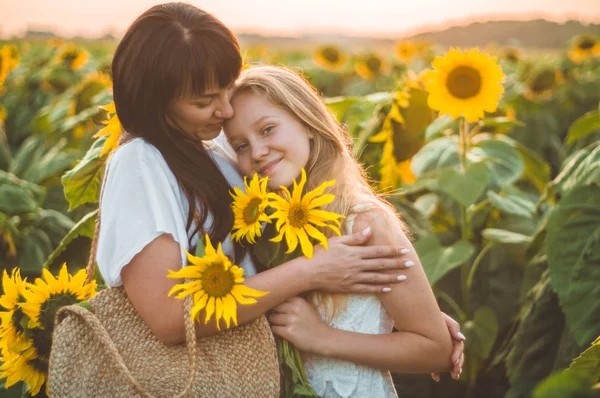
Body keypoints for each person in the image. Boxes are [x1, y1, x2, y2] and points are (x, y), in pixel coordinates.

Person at [96, 1, 463, 388]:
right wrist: (310, 273)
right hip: (198, 380)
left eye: (226, 88)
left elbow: (270, 252)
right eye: (204, 101)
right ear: (157, 103)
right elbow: (171, 317)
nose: (224, 110)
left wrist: (404, 315)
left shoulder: (218, 149)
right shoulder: (141, 163)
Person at [223, 65, 463, 397]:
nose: (257, 152)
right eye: (240, 146)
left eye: (267, 130)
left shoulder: (364, 223)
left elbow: (435, 350)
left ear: (307, 123)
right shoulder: (263, 231)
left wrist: (323, 338)